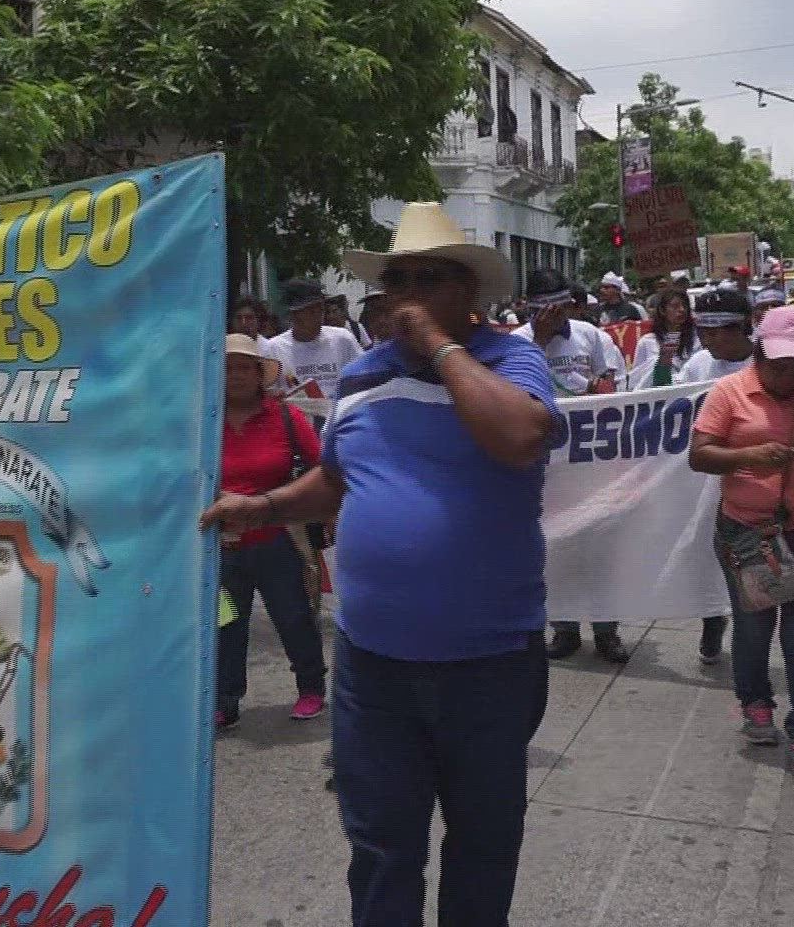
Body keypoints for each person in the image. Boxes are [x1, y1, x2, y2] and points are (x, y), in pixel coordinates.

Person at [200, 201, 561, 925]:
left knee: (483, 844)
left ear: (469, 290)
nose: (409, 295)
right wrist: (264, 506)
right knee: (381, 845)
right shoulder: (362, 377)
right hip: (373, 668)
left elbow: (521, 437)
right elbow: (337, 479)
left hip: (488, 666)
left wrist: (438, 346)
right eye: (398, 281)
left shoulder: (509, 361)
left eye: (430, 279)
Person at [689, 307, 794, 794]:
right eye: (780, 366)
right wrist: (749, 455)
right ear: (760, 356)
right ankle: (756, 704)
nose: (790, 375)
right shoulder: (729, 392)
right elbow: (700, 455)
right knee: (754, 628)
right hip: (748, 534)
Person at [512, 269, 629, 665]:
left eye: (560, 305)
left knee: (600, 548)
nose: (554, 313)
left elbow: (610, 386)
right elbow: (512, 393)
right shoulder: (518, 342)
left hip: (589, 460)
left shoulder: (590, 335)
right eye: (545, 307)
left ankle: (606, 630)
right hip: (547, 464)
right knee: (557, 548)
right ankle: (564, 628)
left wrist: (598, 387)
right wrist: (540, 342)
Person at [215, 334, 328, 730]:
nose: (236, 375)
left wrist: (278, 502)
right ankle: (225, 700)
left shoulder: (286, 418)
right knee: (226, 624)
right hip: (222, 547)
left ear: (258, 374)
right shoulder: (203, 422)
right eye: (228, 368)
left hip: (279, 540)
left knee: (294, 616)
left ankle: (311, 687)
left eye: (244, 368)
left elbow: (321, 469)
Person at [674, 287, 757, 666]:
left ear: (741, 327)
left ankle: (750, 633)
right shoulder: (697, 366)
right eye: (702, 331)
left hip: (755, 483)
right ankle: (712, 618)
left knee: (753, 560)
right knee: (706, 555)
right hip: (705, 482)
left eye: (717, 331)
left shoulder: (766, 365)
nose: (708, 340)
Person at [260, 277, 366, 398]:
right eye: (311, 310)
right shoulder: (274, 349)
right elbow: (266, 392)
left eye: (321, 308)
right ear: (294, 315)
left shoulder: (343, 339)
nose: (319, 314)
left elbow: (363, 376)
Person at [629, 287, 698, 390]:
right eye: (675, 306)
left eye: (685, 306)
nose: (682, 310)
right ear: (662, 310)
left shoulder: (697, 339)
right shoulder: (647, 342)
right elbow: (637, 379)